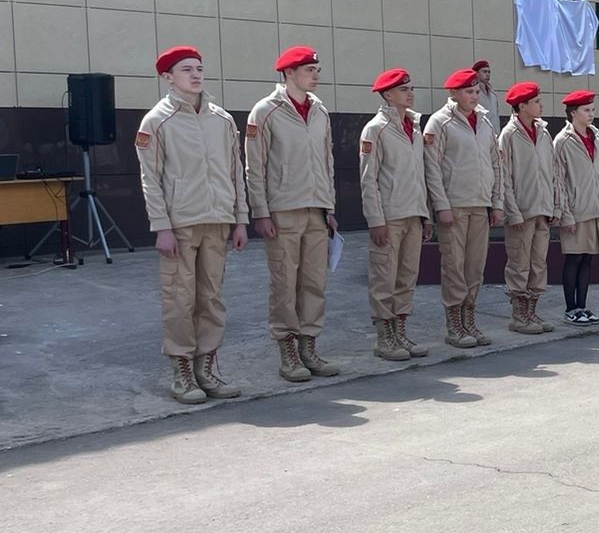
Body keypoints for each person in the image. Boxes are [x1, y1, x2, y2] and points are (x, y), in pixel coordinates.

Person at [135, 47, 249, 403]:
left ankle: (207, 367)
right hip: (180, 224)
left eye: (199, 68)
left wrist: (240, 219)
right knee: (179, 299)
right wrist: (161, 226)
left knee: (211, 299)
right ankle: (182, 370)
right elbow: (150, 179)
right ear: (168, 77)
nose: (196, 75)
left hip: (218, 221)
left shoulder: (222, 120)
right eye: (186, 70)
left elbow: (235, 173)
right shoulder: (157, 121)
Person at [246, 46, 339, 382]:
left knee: (314, 282)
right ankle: (287, 352)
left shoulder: (320, 111)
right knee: (285, 283)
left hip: (316, 210)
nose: (316, 75)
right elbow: (254, 166)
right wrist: (261, 211)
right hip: (282, 210)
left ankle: (309, 347)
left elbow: (327, 163)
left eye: (317, 69)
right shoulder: (265, 111)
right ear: (288, 73)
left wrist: (329, 207)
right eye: (309, 69)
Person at [424, 67, 504, 348]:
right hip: (454, 205)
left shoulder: (484, 121)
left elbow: (496, 164)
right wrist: (441, 205)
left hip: (480, 204)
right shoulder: (439, 122)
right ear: (453, 93)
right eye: (468, 91)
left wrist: (496, 202)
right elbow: (432, 168)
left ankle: (470, 318)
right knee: (454, 267)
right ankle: (454, 324)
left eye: (476, 91)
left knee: (475, 267)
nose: (474, 96)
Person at [359, 68, 432, 362]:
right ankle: (384, 337)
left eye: (411, 88)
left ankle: (400, 330)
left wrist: (425, 215)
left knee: (406, 277)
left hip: (413, 212)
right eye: (404, 89)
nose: (410, 93)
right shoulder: (374, 129)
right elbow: (368, 179)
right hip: (389, 216)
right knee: (384, 278)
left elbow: (421, 175)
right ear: (388, 95)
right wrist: (376, 219)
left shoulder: (413, 128)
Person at [498, 80, 557, 335]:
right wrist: (512, 211)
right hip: (522, 210)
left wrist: (555, 205)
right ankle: (519, 315)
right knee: (519, 263)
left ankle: (532, 311)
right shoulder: (509, 135)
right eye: (536, 102)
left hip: (542, 209)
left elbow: (553, 173)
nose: (541, 105)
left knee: (538, 263)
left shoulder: (543, 132)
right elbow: (505, 176)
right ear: (522, 106)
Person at [552, 90, 599, 324]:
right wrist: (565, 213)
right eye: (586, 110)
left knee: (587, 258)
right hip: (576, 210)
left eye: (593, 109)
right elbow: (559, 179)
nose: (591, 114)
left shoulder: (595, 136)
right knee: (573, 259)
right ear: (573, 113)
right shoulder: (563, 141)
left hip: (594, 208)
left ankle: (583, 306)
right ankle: (570, 308)